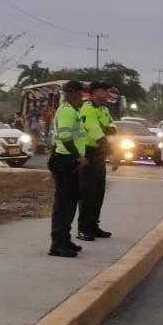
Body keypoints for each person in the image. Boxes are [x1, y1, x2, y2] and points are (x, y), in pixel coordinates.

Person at [46, 81, 89, 258]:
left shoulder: (73, 111)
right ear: (70, 94)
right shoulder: (66, 112)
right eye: (80, 94)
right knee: (64, 204)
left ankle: (65, 239)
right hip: (64, 161)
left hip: (69, 162)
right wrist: (78, 156)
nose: (82, 98)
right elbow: (64, 137)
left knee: (70, 202)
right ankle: (57, 244)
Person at [76, 82, 114, 242]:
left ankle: (93, 225)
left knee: (98, 192)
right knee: (87, 192)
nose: (107, 93)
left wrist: (106, 131)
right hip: (88, 153)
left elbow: (112, 127)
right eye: (103, 90)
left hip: (100, 152)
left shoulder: (104, 109)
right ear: (94, 92)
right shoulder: (87, 108)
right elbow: (95, 130)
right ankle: (83, 228)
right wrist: (111, 152)